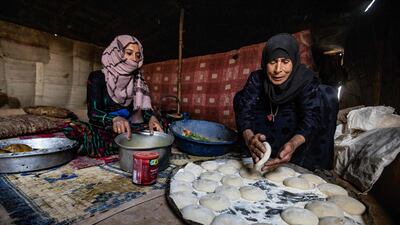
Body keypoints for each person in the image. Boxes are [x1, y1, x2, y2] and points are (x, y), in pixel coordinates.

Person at [233, 33, 338, 171]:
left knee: (327, 95)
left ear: (293, 61)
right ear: (265, 62)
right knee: (240, 97)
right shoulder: (257, 79)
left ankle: (307, 164)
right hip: (264, 135)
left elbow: (311, 118)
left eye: (285, 61)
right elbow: (245, 110)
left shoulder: (305, 80)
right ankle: (255, 152)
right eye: (272, 62)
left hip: (294, 138)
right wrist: (249, 138)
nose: (278, 70)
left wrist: (293, 144)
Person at [83, 35, 163, 157]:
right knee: (81, 131)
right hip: (104, 127)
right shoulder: (97, 77)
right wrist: (114, 119)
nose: (135, 59)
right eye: (129, 53)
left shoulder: (138, 80)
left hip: (129, 126)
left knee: (162, 124)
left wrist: (151, 118)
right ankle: (129, 145)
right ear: (116, 53)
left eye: (137, 55)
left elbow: (142, 108)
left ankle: (127, 144)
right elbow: (93, 113)